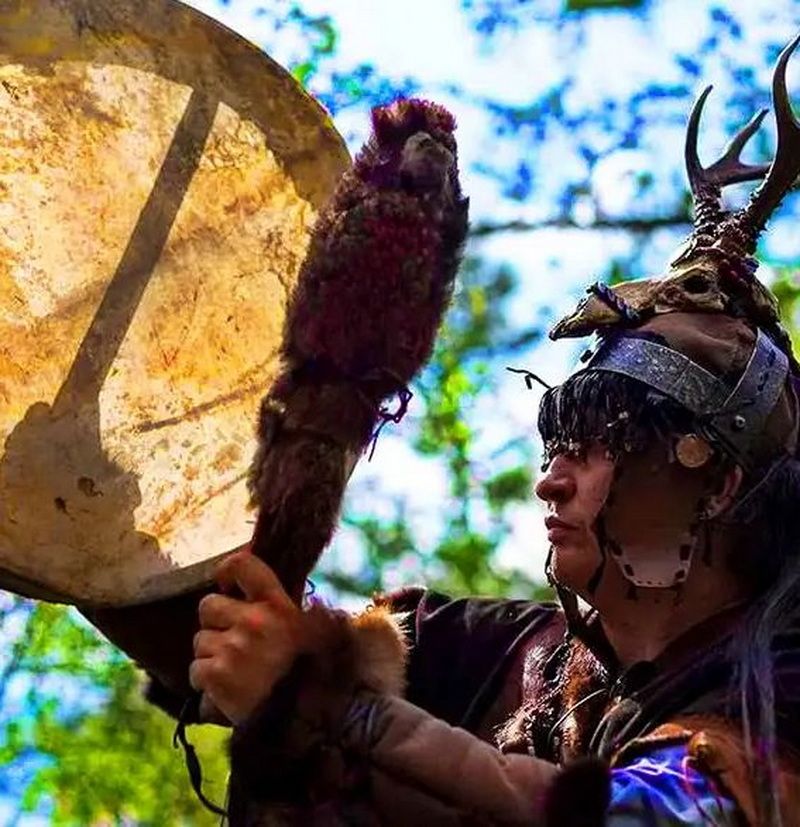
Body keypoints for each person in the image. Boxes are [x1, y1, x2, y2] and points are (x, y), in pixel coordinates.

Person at [90, 38, 800, 827]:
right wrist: (87, 494)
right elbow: (241, 632)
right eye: (557, 444)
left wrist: (330, 708)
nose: (551, 480)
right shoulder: (507, 654)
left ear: (718, 480)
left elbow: (636, 816)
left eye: (602, 442)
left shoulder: (779, 692)